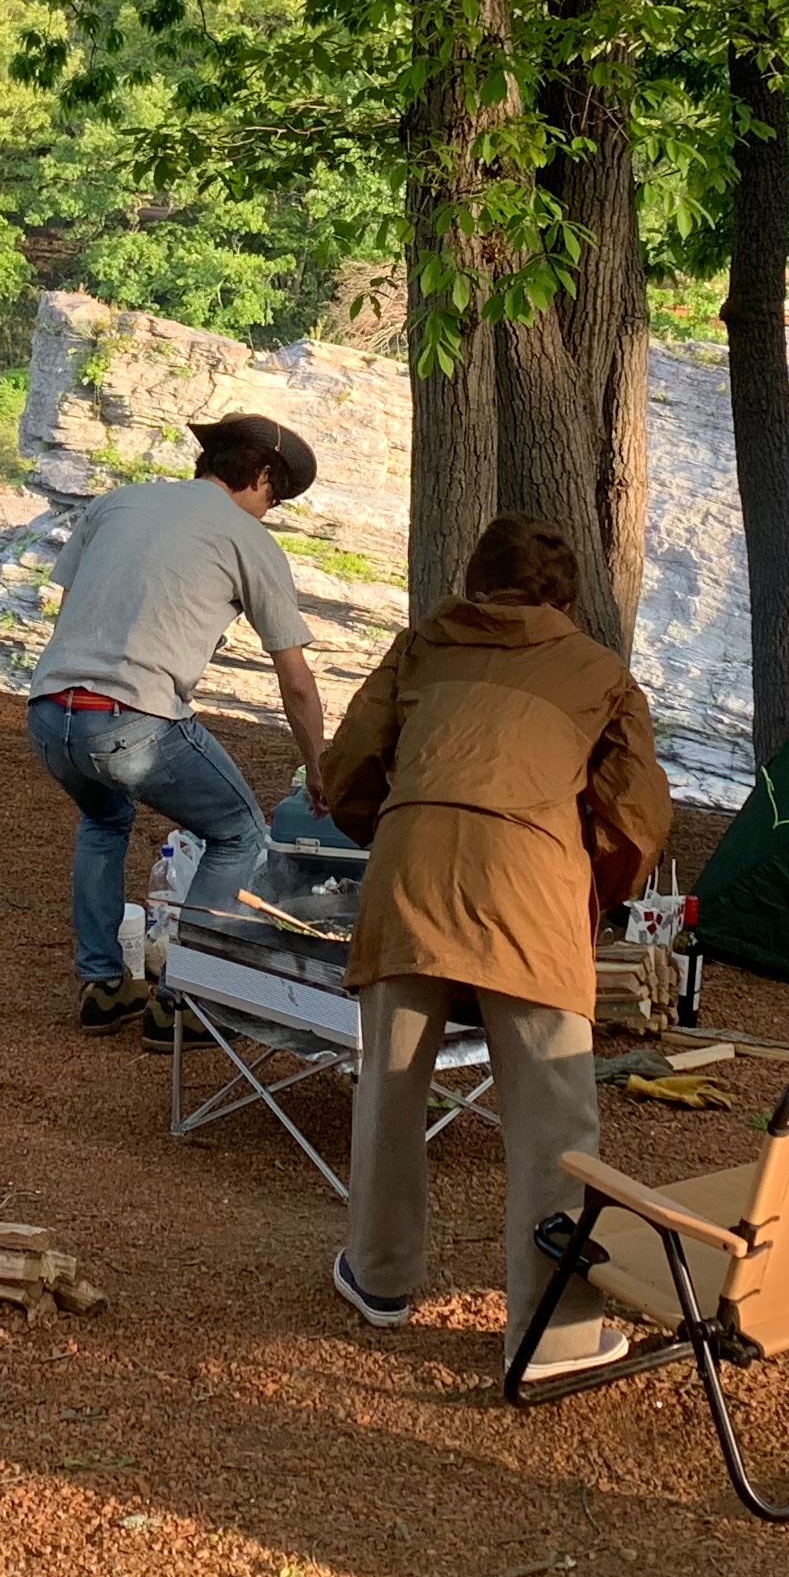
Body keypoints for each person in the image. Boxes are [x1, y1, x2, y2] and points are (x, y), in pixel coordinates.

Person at [316, 514, 671, 1389]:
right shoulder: (601, 672)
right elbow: (634, 819)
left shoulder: (420, 646)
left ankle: (380, 1276)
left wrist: (397, 830)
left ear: (476, 580)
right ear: (565, 597)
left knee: (391, 1089)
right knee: (555, 1118)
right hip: (531, 887)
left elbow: (348, 766)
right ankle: (550, 1336)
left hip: (413, 874)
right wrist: (590, 889)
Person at [27, 412, 329, 1034]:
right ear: (262, 476)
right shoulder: (249, 540)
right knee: (241, 832)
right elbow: (295, 680)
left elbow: (71, 616)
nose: (270, 511)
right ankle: (187, 1000)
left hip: (50, 710)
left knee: (103, 818)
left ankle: (105, 984)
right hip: (130, 720)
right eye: (276, 497)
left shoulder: (116, 504)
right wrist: (319, 767)